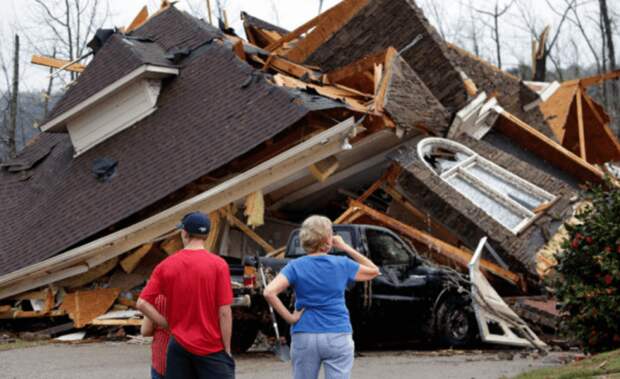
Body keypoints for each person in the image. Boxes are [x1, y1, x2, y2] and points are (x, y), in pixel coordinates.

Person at [263, 215, 380, 379]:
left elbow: (269, 292)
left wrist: (290, 318)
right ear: (328, 239)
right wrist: (346, 247)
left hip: (304, 333)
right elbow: (374, 270)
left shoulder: (295, 266)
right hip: (337, 332)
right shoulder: (342, 263)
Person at [137, 211, 235, 379]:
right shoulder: (219, 265)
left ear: (184, 233)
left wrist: (167, 325)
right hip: (211, 346)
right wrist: (227, 349)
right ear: (206, 235)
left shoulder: (166, 265)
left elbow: (142, 303)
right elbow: (225, 312)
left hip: (179, 346)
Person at [140, 294, 170, 379]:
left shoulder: (157, 298)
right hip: (191, 359)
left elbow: (145, 331)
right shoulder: (196, 295)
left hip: (163, 359)